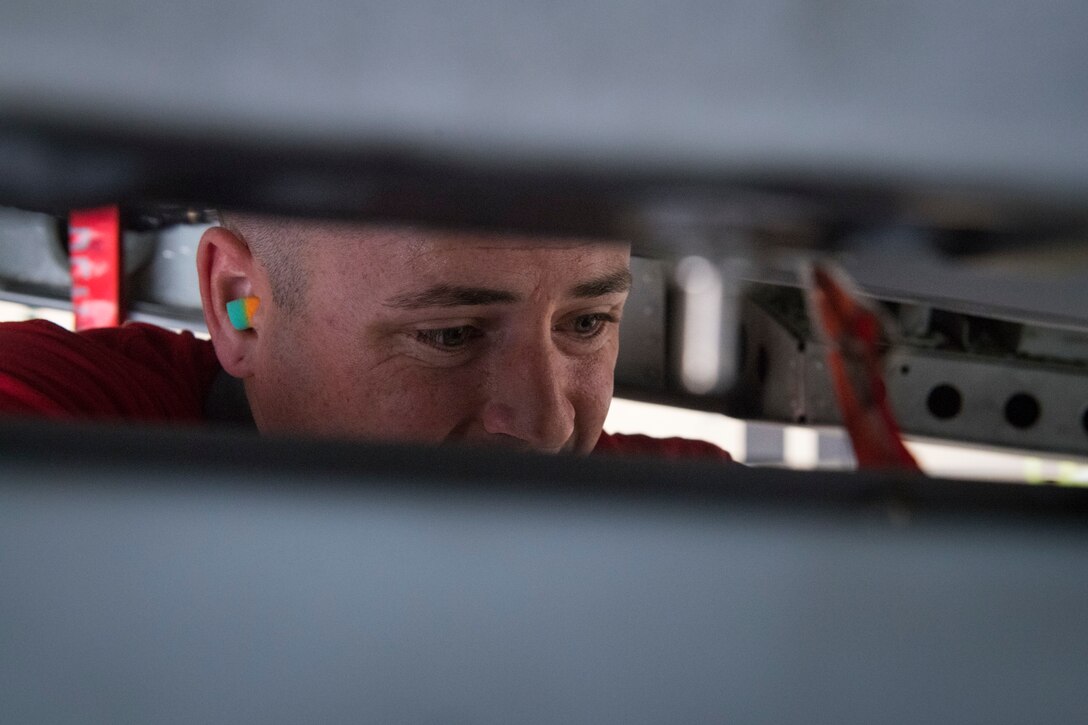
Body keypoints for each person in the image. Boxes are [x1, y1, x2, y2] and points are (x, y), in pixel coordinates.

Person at [0, 213, 732, 459]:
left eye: (585, 323)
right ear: (238, 306)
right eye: (450, 335)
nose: (548, 424)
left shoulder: (698, 519)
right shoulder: (54, 430)